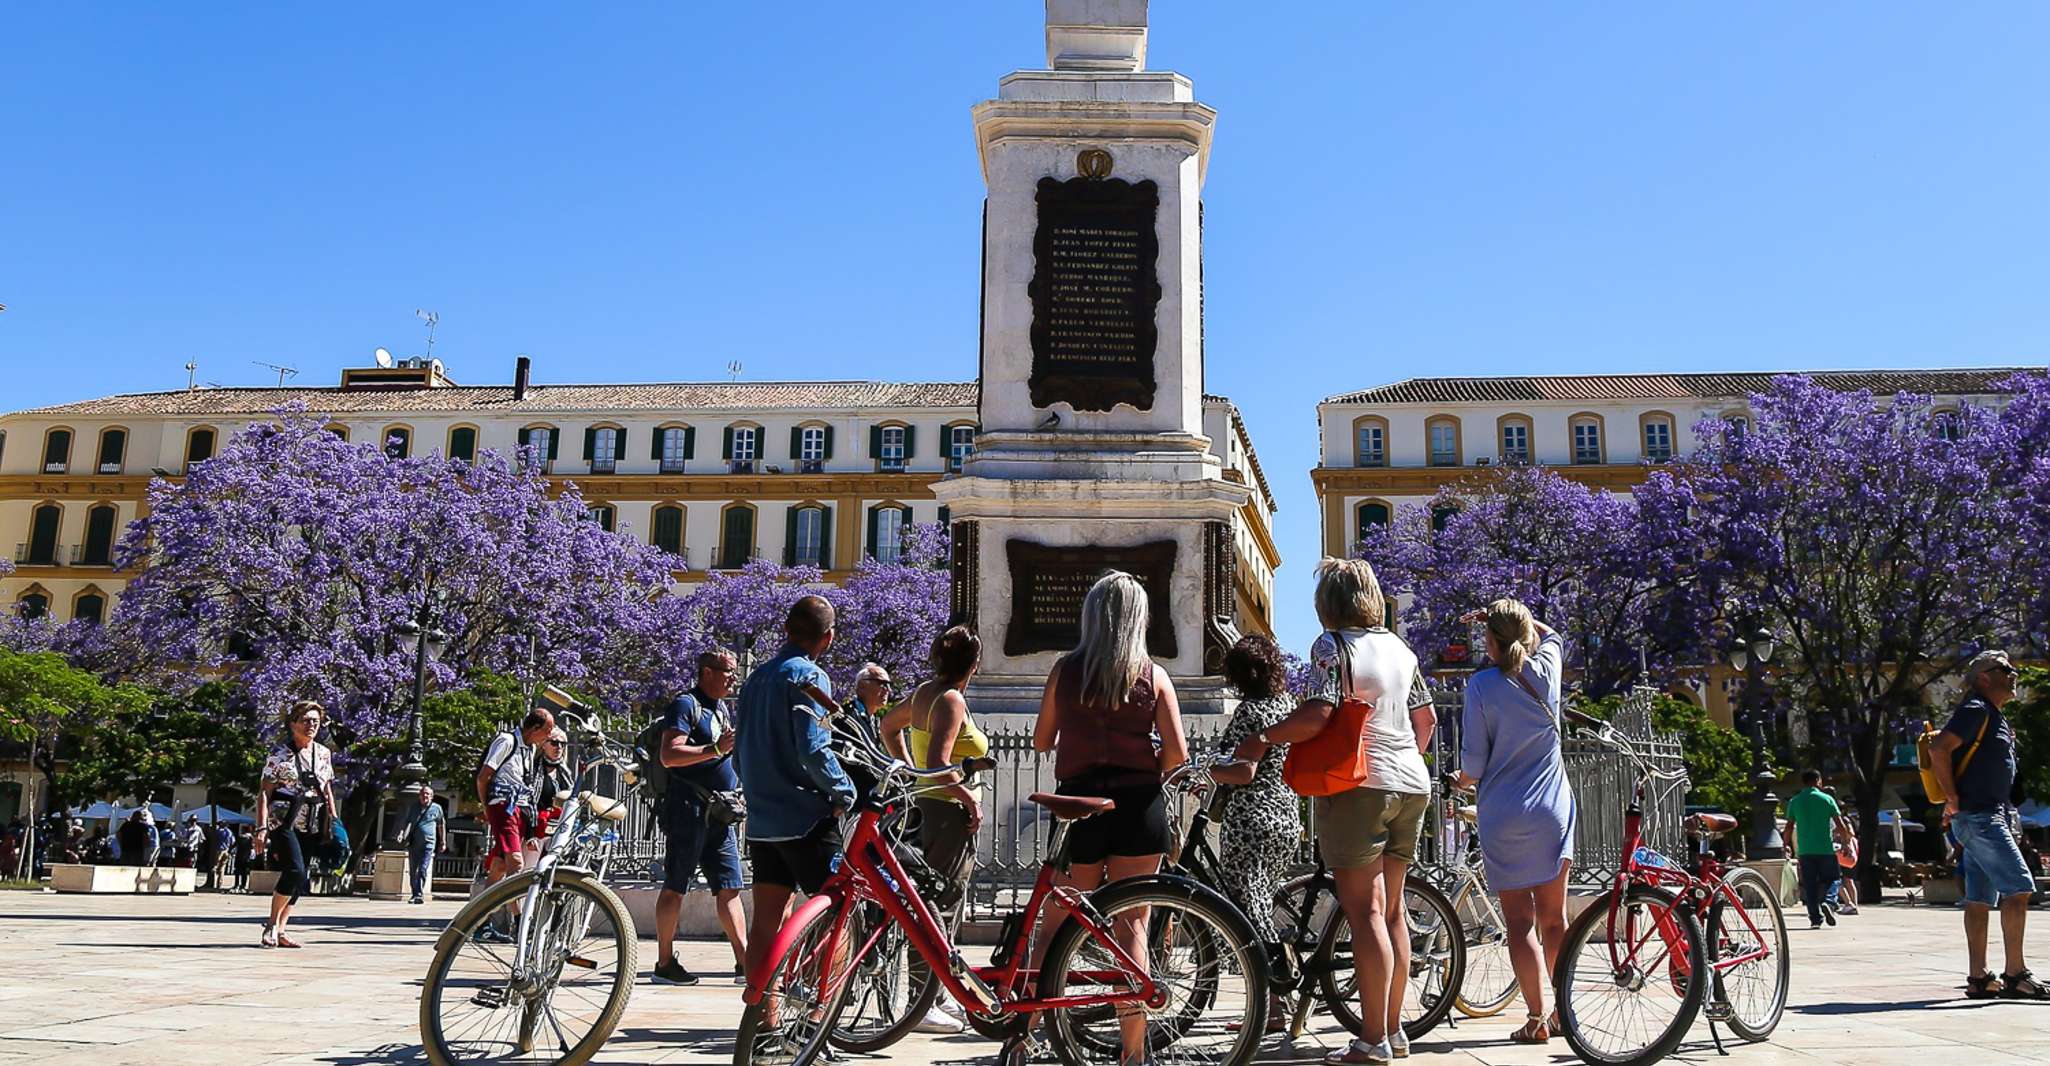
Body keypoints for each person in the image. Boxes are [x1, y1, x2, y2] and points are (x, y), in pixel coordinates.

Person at [1235, 558, 1435, 1066]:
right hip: (1413, 784)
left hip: (1361, 787)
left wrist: (1264, 737)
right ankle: (1394, 1031)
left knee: (1365, 912)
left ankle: (1371, 1041)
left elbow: (1319, 713)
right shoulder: (1402, 649)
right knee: (1392, 911)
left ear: (1328, 601)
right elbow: (1427, 719)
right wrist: (1402, 757)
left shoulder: (1333, 646)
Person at [1035, 571, 1189, 1066]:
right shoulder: (1152, 675)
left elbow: (1040, 740)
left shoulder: (1065, 671)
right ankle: (1133, 1052)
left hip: (1080, 804)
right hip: (1138, 806)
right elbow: (1177, 754)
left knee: (1055, 924)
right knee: (1133, 927)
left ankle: (1023, 1032)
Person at [735, 595, 858, 1035]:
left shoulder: (755, 679)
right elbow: (813, 749)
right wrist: (844, 790)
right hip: (806, 819)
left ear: (786, 629)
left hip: (763, 822)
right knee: (838, 914)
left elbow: (739, 751)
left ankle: (765, 1021)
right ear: (829, 637)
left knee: (766, 922)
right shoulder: (809, 676)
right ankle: (816, 1023)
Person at [1454, 599, 1573, 1045]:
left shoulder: (1481, 685)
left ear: (1491, 642)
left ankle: (1537, 1018)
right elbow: (1552, 634)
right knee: (1554, 921)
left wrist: (1461, 780)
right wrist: (1505, 615)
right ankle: (1564, 1014)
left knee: (1520, 924)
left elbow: (1474, 764)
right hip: (1550, 810)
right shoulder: (1548, 668)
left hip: (1503, 815)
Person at [880, 627, 988, 1037]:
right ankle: (921, 1001)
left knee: (933, 902)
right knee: (939, 905)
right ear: (973, 664)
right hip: (947, 813)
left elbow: (888, 726)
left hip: (930, 805)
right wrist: (968, 798)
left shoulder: (925, 692)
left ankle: (934, 994)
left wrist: (910, 770)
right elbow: (941, 764)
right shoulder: (951, 700)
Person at [1930, 651, 2046, 999]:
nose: (2014, 674)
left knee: (1979, 899)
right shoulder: (1976, 709)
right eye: (2005, 669)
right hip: (1981, 817)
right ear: (1984, 677)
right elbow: (1939, 748)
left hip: (1986, 815)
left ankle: (1979, 977)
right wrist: (1952, 798)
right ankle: (2015, 974)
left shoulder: (1993, 715)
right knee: (2019, 888)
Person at [1210, 635, 1300, 1029]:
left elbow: (1243, 772)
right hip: (1284, 815)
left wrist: (1206, 769)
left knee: (1250, 913)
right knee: (1261, 903)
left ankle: (1273, 1004)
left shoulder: (1251, 712)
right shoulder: (1286, 706)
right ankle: (1279, 1000)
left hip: (1251, 821)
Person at [654, 648, 750, 987]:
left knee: (730, 887)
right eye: (727, 672)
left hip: (720, 813)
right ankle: (664, 962)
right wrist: (715, 749)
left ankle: (745, 963)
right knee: (675, 887)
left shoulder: (720, 708)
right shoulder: (685, 705)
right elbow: (669, 754)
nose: (733, 679)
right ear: (706, 672)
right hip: (688, 809)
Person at [254, 700, 339, 949]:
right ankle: (271, 924)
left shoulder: (323, 753)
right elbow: (265, 793)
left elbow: (327, 788)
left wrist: (333, 819)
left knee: (301, 878)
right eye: (306, 720)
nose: (311, 725)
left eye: (316, 721)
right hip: (284, 821)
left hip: (313, 821)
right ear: (293, 724)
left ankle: (282, 929)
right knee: (295, 871)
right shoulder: (279, 755)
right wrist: (261, 828)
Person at [475, 706, 556, 942]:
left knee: (499, 867)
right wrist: (488, 808)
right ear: (535, 728)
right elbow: (483, 777)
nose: (549, 736)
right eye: (548, 730)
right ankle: (521, 923)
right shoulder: (506, 741)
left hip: (518, 810)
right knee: (516, 863)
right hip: (503, 806)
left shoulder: (529, 750)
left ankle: (480, 922)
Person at [1784, 770, 1851, 929]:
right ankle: (1829, 902)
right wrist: (1845, 843)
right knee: (1834, 879)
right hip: (1825, 849)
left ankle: (1815, 919)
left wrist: (1785, 844)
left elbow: (1789, 826)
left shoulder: (1795, 801)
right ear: (1818, 781)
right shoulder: (1827, 799)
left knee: (1810, 885)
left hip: (1805, 851)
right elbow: (1840, 824)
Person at [399, 785, 448, 904]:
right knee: (413, 870)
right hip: (414, 843)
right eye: (422, 794)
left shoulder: (437, 808)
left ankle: (418, 895)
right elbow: (408, 822)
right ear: (419, 796)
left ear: (432, 796)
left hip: (429, 843)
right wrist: (401, 834)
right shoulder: (414, 807)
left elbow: (441, 825)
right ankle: (414, 894)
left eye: (427, 794)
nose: (424, 796)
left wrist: (443, 841)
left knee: (423, 868)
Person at [233, 825, 254, 892]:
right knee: (244, 872)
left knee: (237, 872)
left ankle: (236, 884)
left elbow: (234, 845)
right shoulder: (251, 839)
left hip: (239, 856)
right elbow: (252, 847)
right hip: (247, 857)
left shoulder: (239, 838)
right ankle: (243, 885)